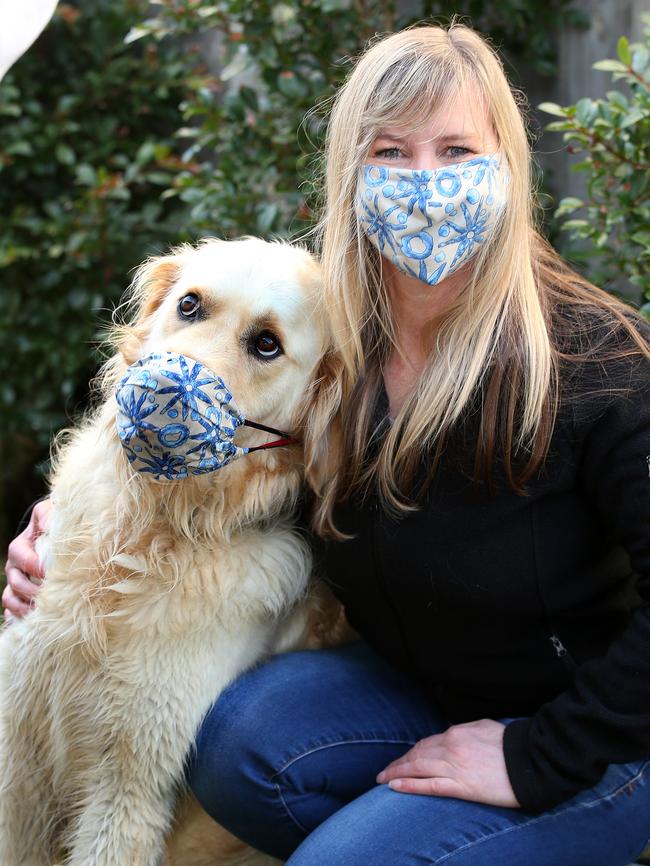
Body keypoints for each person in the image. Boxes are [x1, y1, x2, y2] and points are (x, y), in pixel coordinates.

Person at [5, 22, 650, 866]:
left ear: (507, 167)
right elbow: (218, 448)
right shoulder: (335, 341)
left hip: (602, 733)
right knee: (240, 749)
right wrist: (69, 522)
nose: (425, 182)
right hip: (426, 693)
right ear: (352, 174)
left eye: (457, 150)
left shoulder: (601, 364)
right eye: (392, 151)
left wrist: (537, 758)